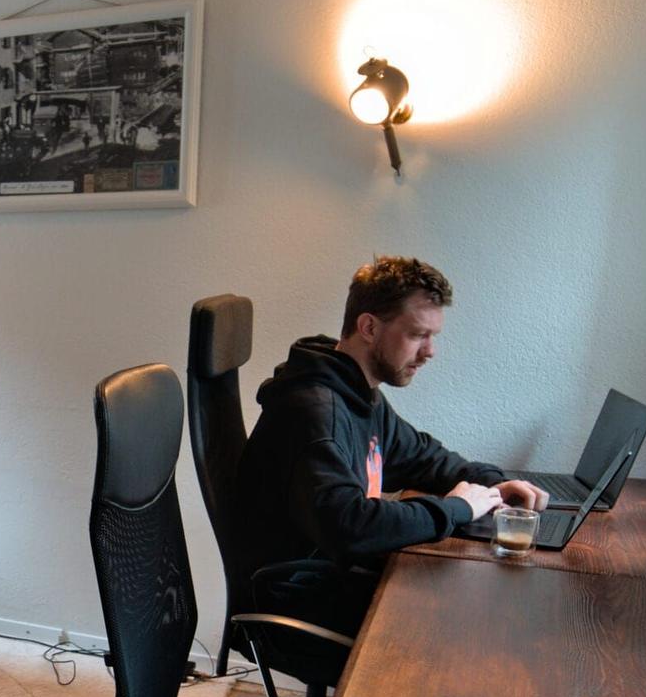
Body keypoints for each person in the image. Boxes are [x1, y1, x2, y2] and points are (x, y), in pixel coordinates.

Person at [232, 256, 546, 635]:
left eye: (434, 336)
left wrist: (492, 485)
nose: (430, 352)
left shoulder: (359, 392)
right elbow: (349, 525)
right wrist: (456, 508)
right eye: (417, 335)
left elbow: (422, 457)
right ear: (368, 327)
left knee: (474, 602)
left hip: (333, 575)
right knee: (468, 622)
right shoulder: (314, 413)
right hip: (296, 599)